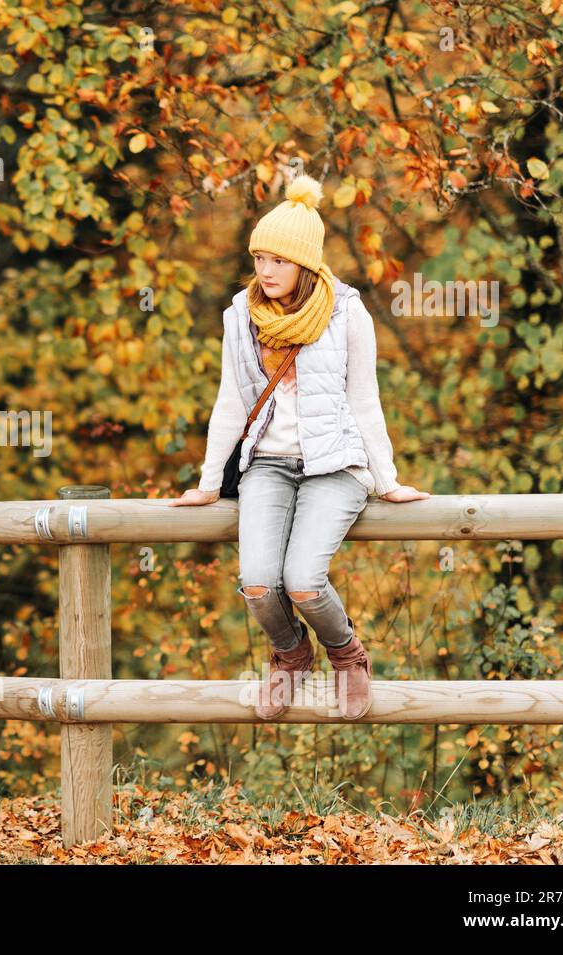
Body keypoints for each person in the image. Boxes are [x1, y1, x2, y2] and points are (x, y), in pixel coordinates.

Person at [170, 173, 430, 721]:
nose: (266, 271)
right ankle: (290, 655)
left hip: (335, 465)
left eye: (279, 261)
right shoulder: (239, 315)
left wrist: (388, 480)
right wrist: (208, 483)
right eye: (259, 258)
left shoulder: (346, 313)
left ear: (306, 264)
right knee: (259, 584)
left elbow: (365, 399)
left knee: (304, 581)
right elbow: (230, 402)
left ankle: (348, 656)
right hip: (267, 464)